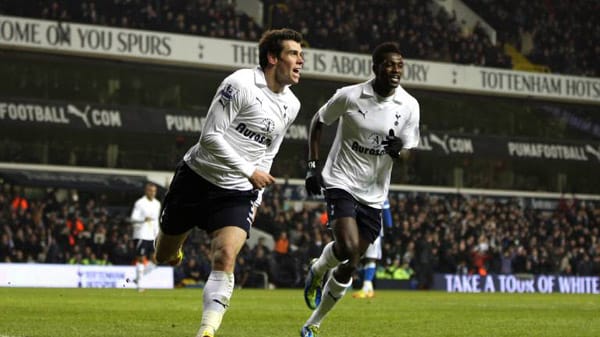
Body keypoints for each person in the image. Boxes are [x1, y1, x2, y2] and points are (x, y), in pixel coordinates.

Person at [154, 28, 304, 337]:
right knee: (163, 255)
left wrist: (255, 192)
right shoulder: (239, 84)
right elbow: (209, 138)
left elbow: (269, 151)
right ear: (273, 58)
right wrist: (249, 170)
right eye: (294, 53)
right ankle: (174, 243)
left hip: (237, 193)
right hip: (196, 178)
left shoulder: (292, 105)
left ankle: (207, 330)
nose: (301, 60)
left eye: (301, 55)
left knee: (224, 255)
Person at [301, 42, 420, 337]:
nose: (395, 70)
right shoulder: (350, 95)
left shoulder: (409, 105)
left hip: (375, 194)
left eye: (400, 65)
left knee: (350, 261)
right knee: (348, 247)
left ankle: (312, 320)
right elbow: (318, 121)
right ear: (375, 67)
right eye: (390, 64)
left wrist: (399, 151)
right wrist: (313, 166)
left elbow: (409, 152)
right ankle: (317, 274)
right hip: (341, 181)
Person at [352, 198, 391, 298]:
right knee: (367, 259)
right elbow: (386, 209)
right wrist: (390, 227)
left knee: (370, 258)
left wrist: (390, 227)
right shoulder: (381, 189)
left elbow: (386, 209)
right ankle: (368, 288)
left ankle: (366, 287)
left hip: (372, 229)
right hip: (370, 228)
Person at [129, 182, 161, 292]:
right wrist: (143, 219)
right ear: (146, 191)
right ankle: (140, 286)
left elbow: (156, 220)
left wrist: (157, 234)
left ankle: (138, 278)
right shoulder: (140, 203)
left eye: (154, 191)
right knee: (141, 259)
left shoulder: (157, 204)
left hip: (152, 235)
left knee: (156, 260)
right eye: (150, 191)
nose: (152, 193)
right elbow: (133, 219)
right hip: (141, 234)